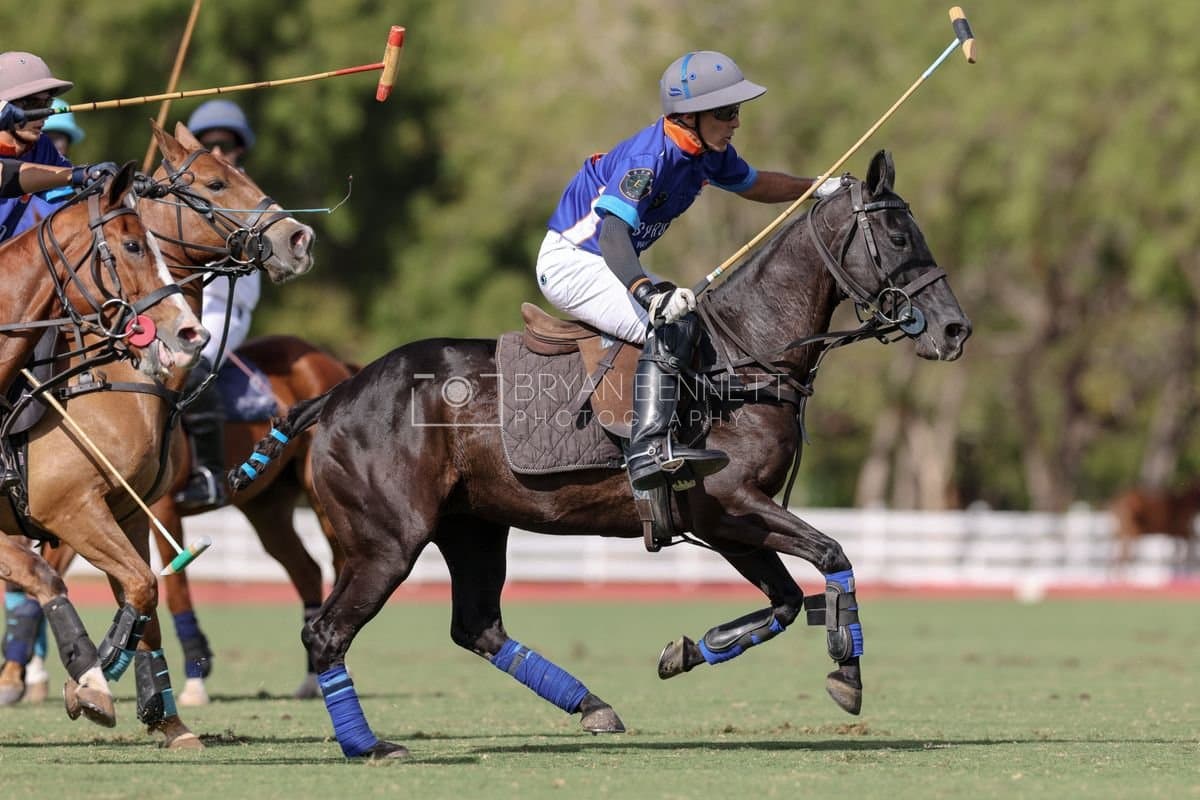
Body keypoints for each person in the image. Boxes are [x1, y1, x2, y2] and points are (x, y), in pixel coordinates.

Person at [538, 50, 840, 492]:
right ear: (690, 115)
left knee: (697, 324)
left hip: (607, 260)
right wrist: (646, 293)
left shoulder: (707, 152)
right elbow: (613, 235)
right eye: (727, 112)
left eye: (737, 110)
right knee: (673, 326)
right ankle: (647, 450)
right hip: (574, 262)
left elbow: (755, 184)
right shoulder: (649, 159)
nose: (737, 121)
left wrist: (818, 187)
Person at [172, 99, 261, 512]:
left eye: (226, 144)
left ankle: (208, 474)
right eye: (209, 145)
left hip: (224, 311)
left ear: (240, 148)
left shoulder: (247, 196)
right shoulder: (187, 196)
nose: (219, 153)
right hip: (178, 308)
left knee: (190, 367)